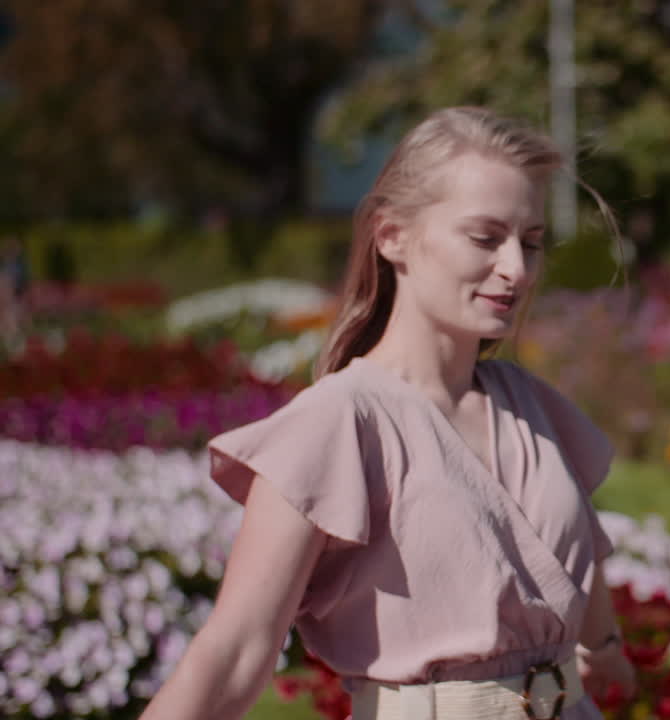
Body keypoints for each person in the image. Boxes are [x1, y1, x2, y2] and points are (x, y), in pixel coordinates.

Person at [139, 107, 636, 720]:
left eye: (530, 243)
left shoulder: (532, 404)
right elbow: (238, 649)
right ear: (391, 236)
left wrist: (604, 648)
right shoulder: (339, 421)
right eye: (485, 238)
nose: (516, 269)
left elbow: (568, 558)